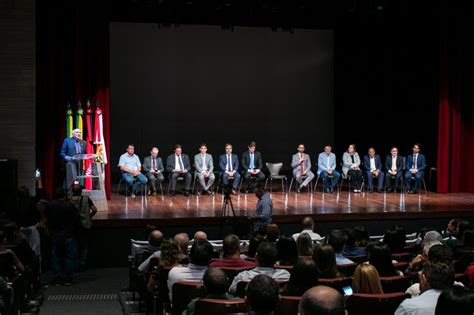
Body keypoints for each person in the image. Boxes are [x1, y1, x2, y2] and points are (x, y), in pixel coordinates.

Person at [45, 187, 79, 286]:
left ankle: (57, 278)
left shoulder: (50, 205)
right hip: (68, 233)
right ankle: (68, 278)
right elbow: (76, 215)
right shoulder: (69, 205)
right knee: (69, 256)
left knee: (56, 256)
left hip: (55, 233)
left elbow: (47, 217)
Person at [69, 183, 97, 271]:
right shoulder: (86, 199)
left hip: (73, 225)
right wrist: (89, 217)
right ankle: (83, 264)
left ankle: (75, 264)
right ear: (81, 191)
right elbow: (95, 210)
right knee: (84, 246)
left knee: (74, 245)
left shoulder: (69, 200)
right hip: (84, 225)